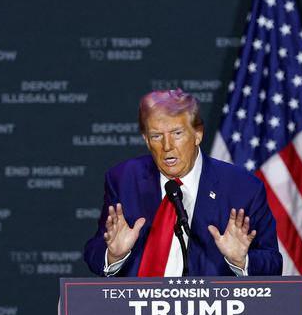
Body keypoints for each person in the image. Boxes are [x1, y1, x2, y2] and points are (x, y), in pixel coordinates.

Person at [84, 89, 283, 277]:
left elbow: (273, 262)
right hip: (138, 309)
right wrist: (114, 256)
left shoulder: (243, 187)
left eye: (177, 133)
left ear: (198, 134)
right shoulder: (124, 179)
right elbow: (94, 252)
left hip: (214, 309)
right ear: (146, 140)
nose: (167, 146)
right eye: (156, 136)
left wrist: (241, 261)